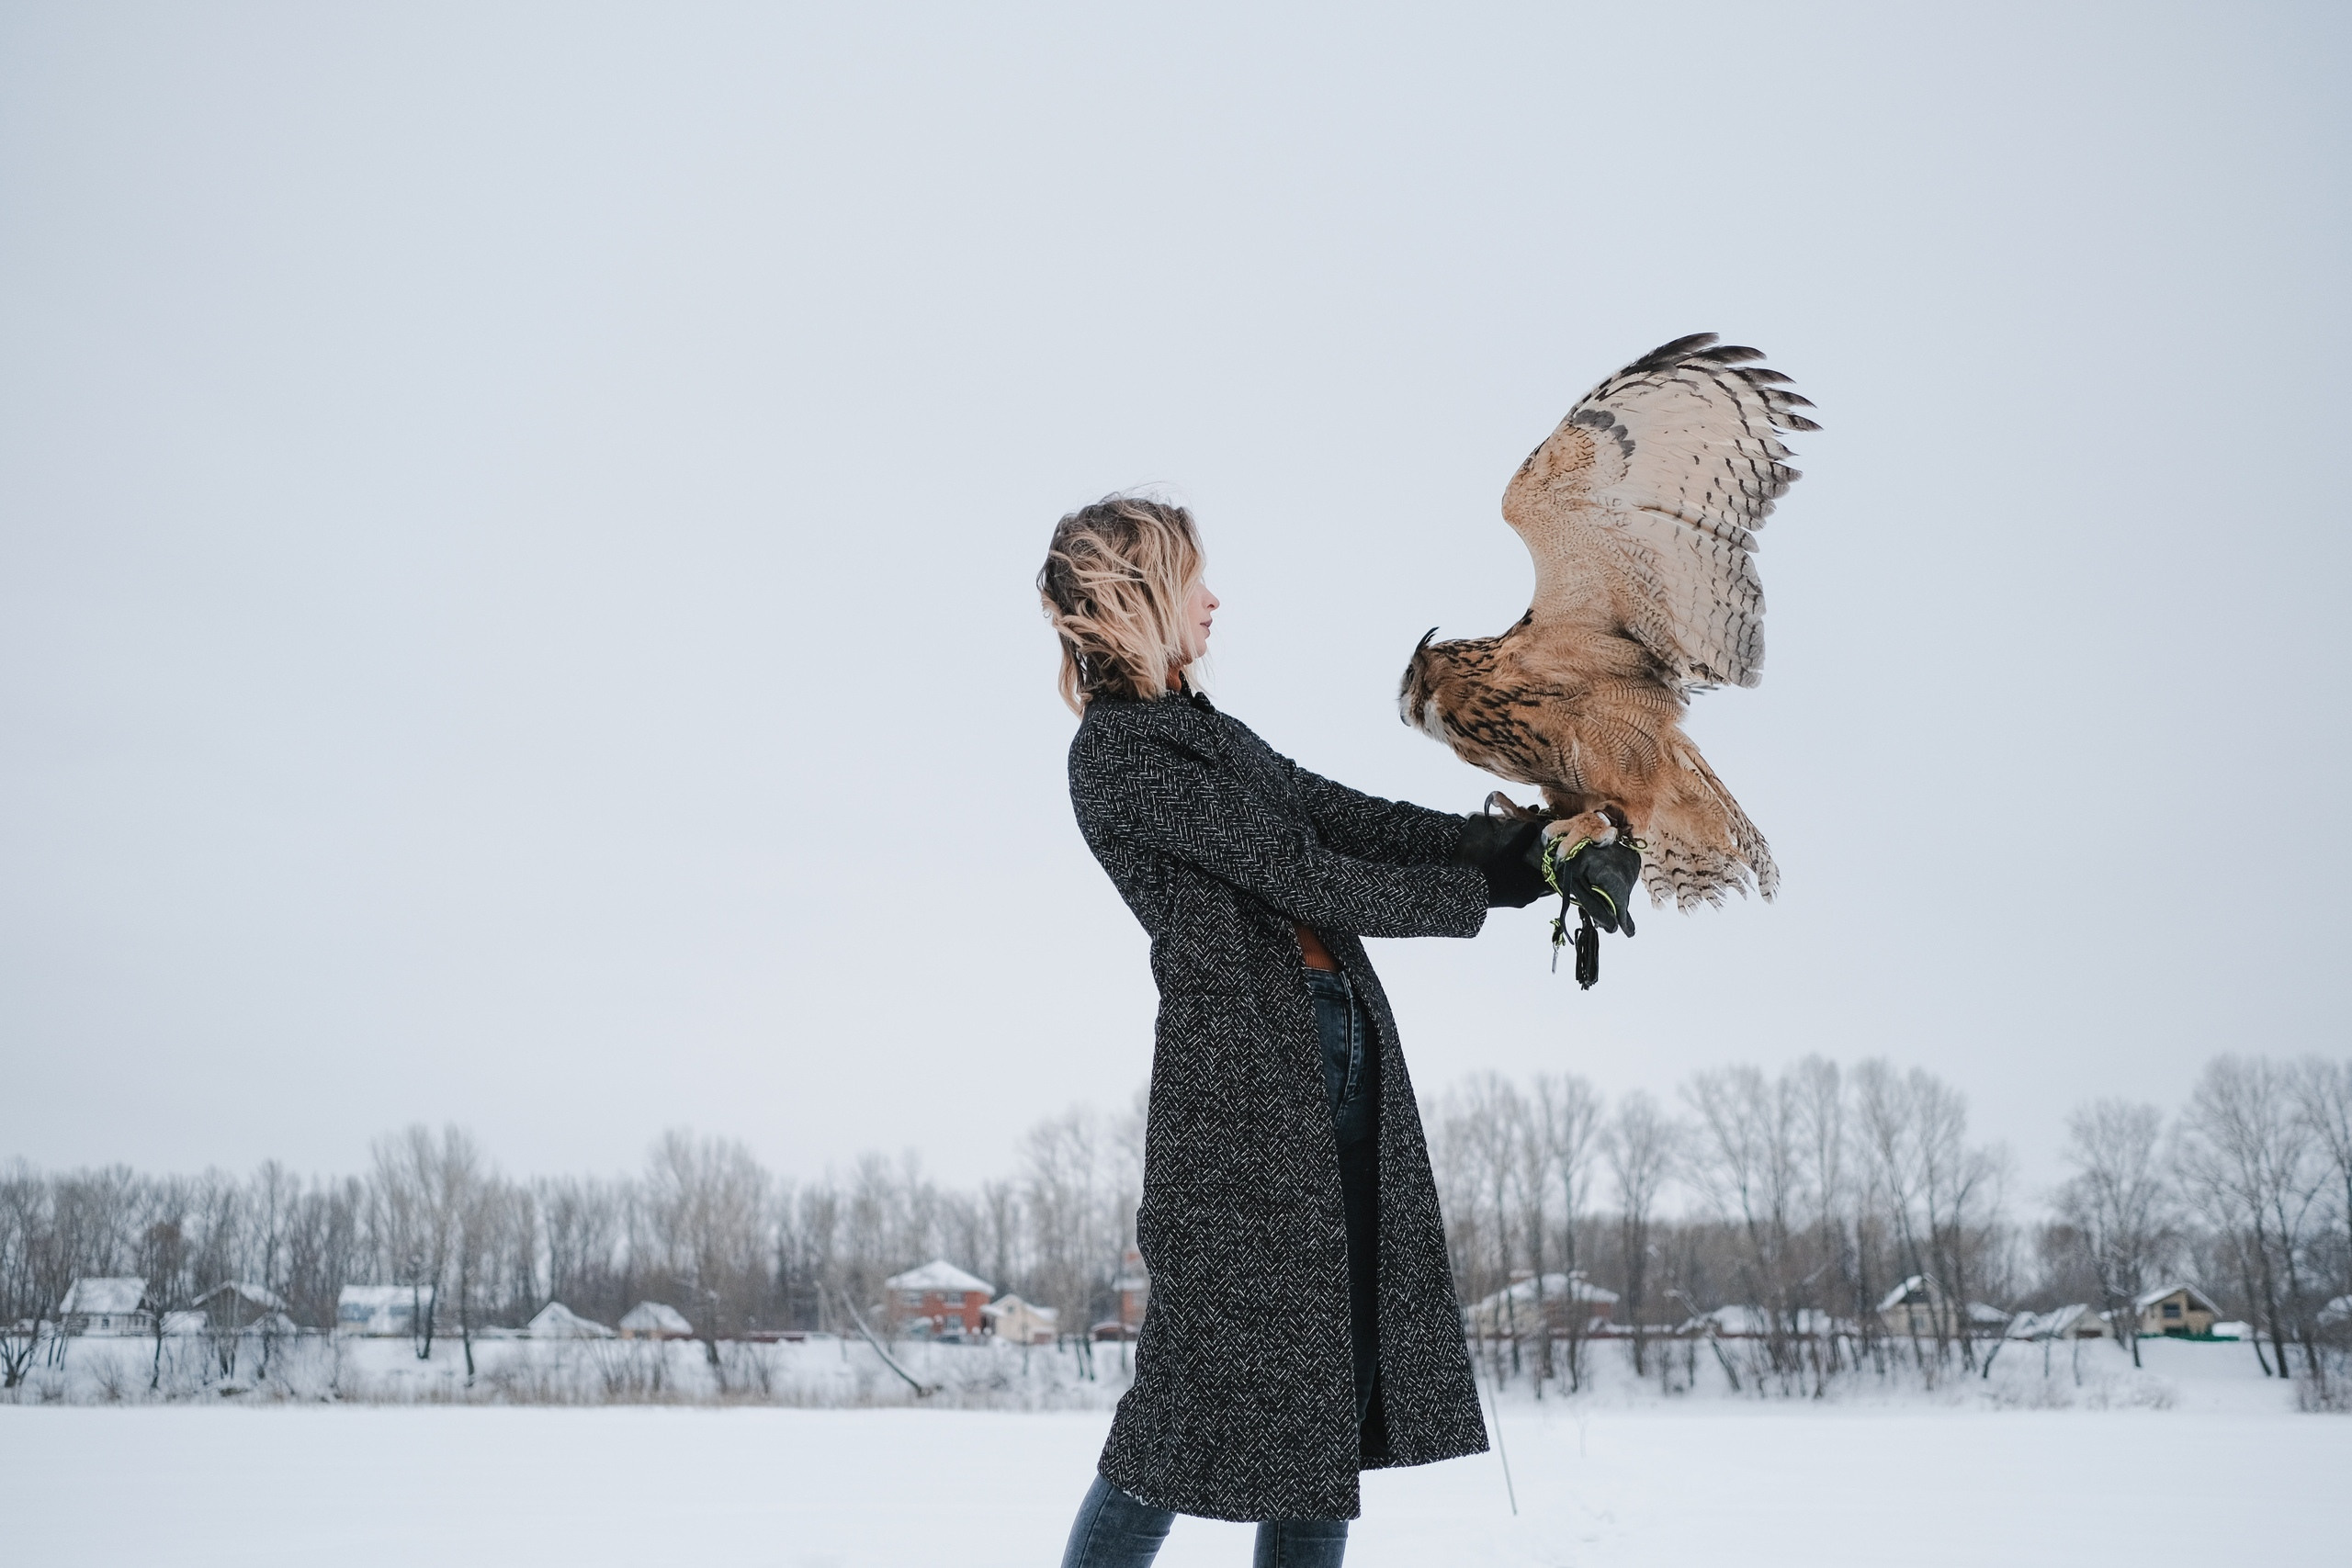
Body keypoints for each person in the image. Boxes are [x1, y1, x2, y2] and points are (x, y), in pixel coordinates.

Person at [1037, 495, 1551, 1567]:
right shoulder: (1119, 758)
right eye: (1193, 581)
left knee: (1328, 1405)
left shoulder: (1209, 737)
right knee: (1177, 1415)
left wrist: (1517, 850)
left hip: (1340, 1051)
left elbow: (1342, 815)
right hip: (1242, 1099)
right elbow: (1300, 872)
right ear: (1138, 598)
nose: (1214, 600)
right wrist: (1484, 897)